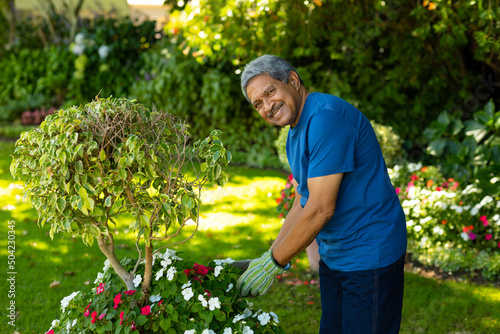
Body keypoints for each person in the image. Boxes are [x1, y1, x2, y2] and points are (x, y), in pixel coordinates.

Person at [235, 55, 407, 334]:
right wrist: (268, 256)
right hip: (336, 254)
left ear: (293, 80)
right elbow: (302, 202)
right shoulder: (297, 128)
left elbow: (320, 209)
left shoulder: (326, 118)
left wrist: (273, 264)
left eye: (270, 92)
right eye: (258, 104)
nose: (268, 106)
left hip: (369, 255)